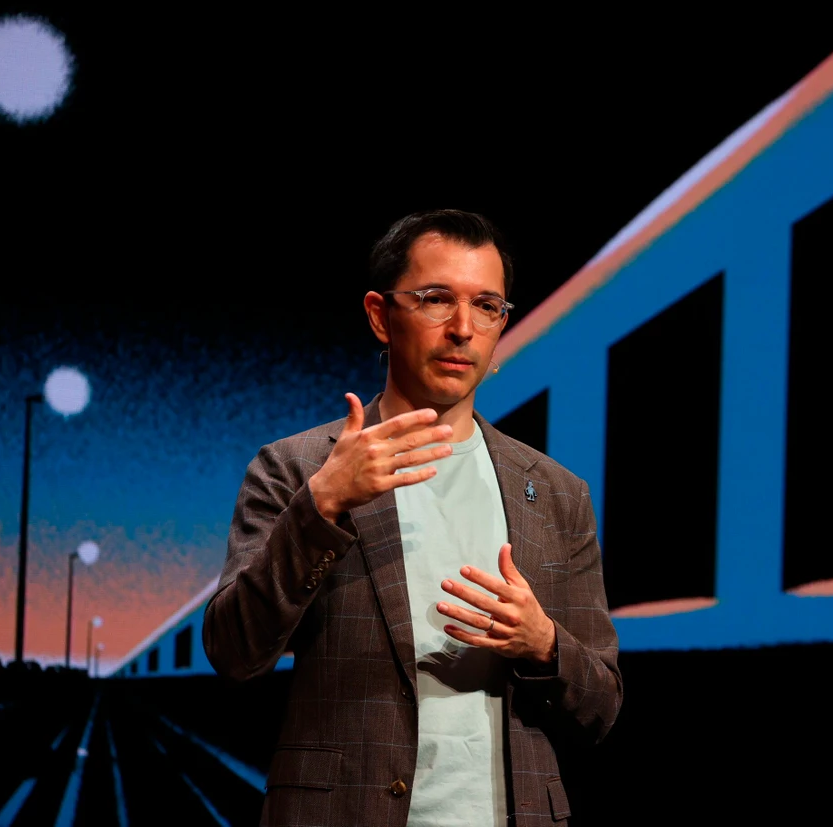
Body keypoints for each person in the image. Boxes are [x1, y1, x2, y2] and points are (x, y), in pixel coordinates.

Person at [203, 209, 623, 827]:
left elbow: (602, 705)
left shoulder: (557, 494)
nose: (462, 329)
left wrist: (544, 644)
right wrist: (322, 507)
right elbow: (235, 652)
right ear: (380, 316)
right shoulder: (296, 469)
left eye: (487, 306)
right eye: (435, 300)